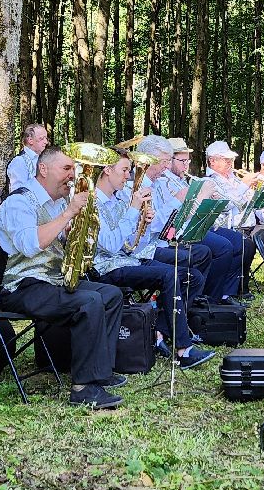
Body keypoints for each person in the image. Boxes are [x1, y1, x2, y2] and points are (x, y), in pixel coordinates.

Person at [0, 145, 126, 408]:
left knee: (111, 295)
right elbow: (31, 243)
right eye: (66, 168)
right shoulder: (18, 201)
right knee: (88, 302)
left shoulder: (59, 202)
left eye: (73, 169)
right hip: (22, 285)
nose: (71, 175)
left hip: (53, 280)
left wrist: (75, 230)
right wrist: (68, 215)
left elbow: (64, 242)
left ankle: (101, 370)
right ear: (43, 169)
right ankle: (83, 389)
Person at [91, 148, 214, 369]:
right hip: (106, 266)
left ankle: (159, 330)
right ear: (107, 170)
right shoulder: (92, 203)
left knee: (192, 276)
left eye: (129, 170)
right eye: (124, 170)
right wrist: (133, 212)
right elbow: (109, 246)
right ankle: (183, 350)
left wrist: (144, 225)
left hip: (129, 259)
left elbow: (135, 244)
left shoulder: (120, 200)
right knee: (169, 272)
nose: (128, 176)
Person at [152, 138, 242, 307]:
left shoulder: (181, 179)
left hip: (190, 227)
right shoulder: (164, 181)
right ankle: (210, 296)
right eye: (182, 160)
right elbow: (176, 218)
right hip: (174, 233)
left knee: (234, 243)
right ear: (169, 160)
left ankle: (216, 294)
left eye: (188, 160)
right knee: (223, 247)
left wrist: (211, 201)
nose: (186, 165)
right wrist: (201, 197)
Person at [201, 140, 257, 300]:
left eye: (230, 159)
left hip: (242, 225)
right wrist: (243, 187)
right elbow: (225, 205)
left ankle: (232, 290)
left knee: (247, 245)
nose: (230, 163)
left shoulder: (234, 179)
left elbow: (248, 201)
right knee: (240, 245)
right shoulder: (209, 181)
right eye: (226, 160)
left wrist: (251, 190)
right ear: (212, 161)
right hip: (220, 228)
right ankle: (226, 292)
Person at [7, 123, 49, 192]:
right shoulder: (19, 162)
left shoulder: (43, 159)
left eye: (46, 138)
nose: (46, 142)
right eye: (41, 138)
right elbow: (18, 193)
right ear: (30, 140)